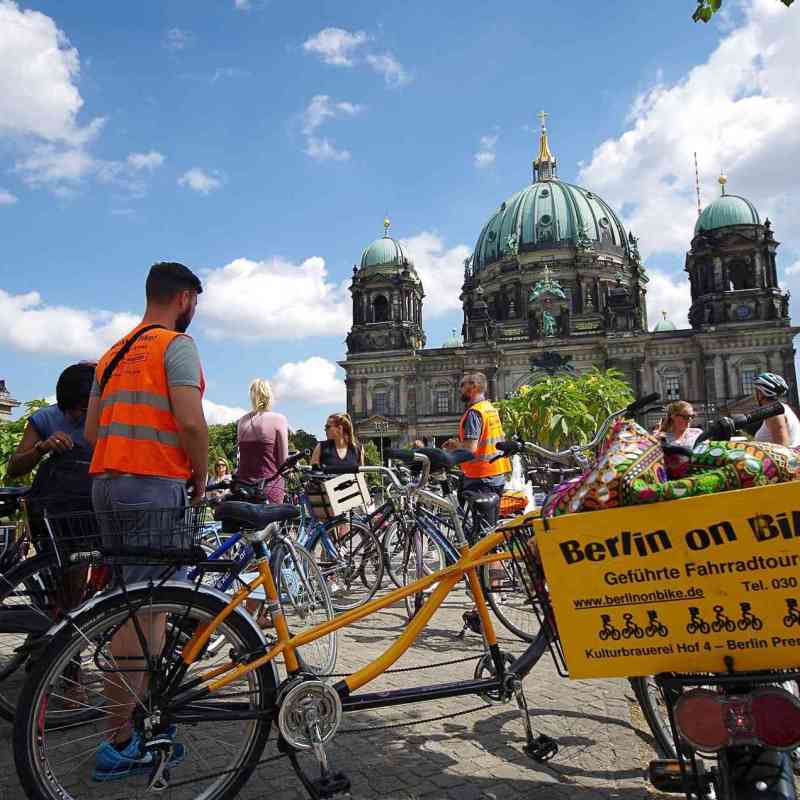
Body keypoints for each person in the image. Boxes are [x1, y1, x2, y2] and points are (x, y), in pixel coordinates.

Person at [84, 261, 207, 779]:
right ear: (183, 298)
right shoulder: (174, 346)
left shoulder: (111, 354)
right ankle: (120, 738)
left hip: (105, 484)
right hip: (153, 485)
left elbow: (91, 430)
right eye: (196, 303)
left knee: (128, 605)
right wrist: (198, 474)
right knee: (152, 612)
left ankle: (130, 723)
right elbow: (189, 420)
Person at [236, 379, 289, 503]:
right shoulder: (279, 419)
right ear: (270, 396)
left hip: (243, 487)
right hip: (269, 486)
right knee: (271, 522)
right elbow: (283, 462)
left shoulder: (242, 421)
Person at [752, 372, 800, 447]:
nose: (754, 395)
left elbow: (782, 448)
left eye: (756, 391)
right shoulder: (782, 408)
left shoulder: (774, 413)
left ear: (760, 393)